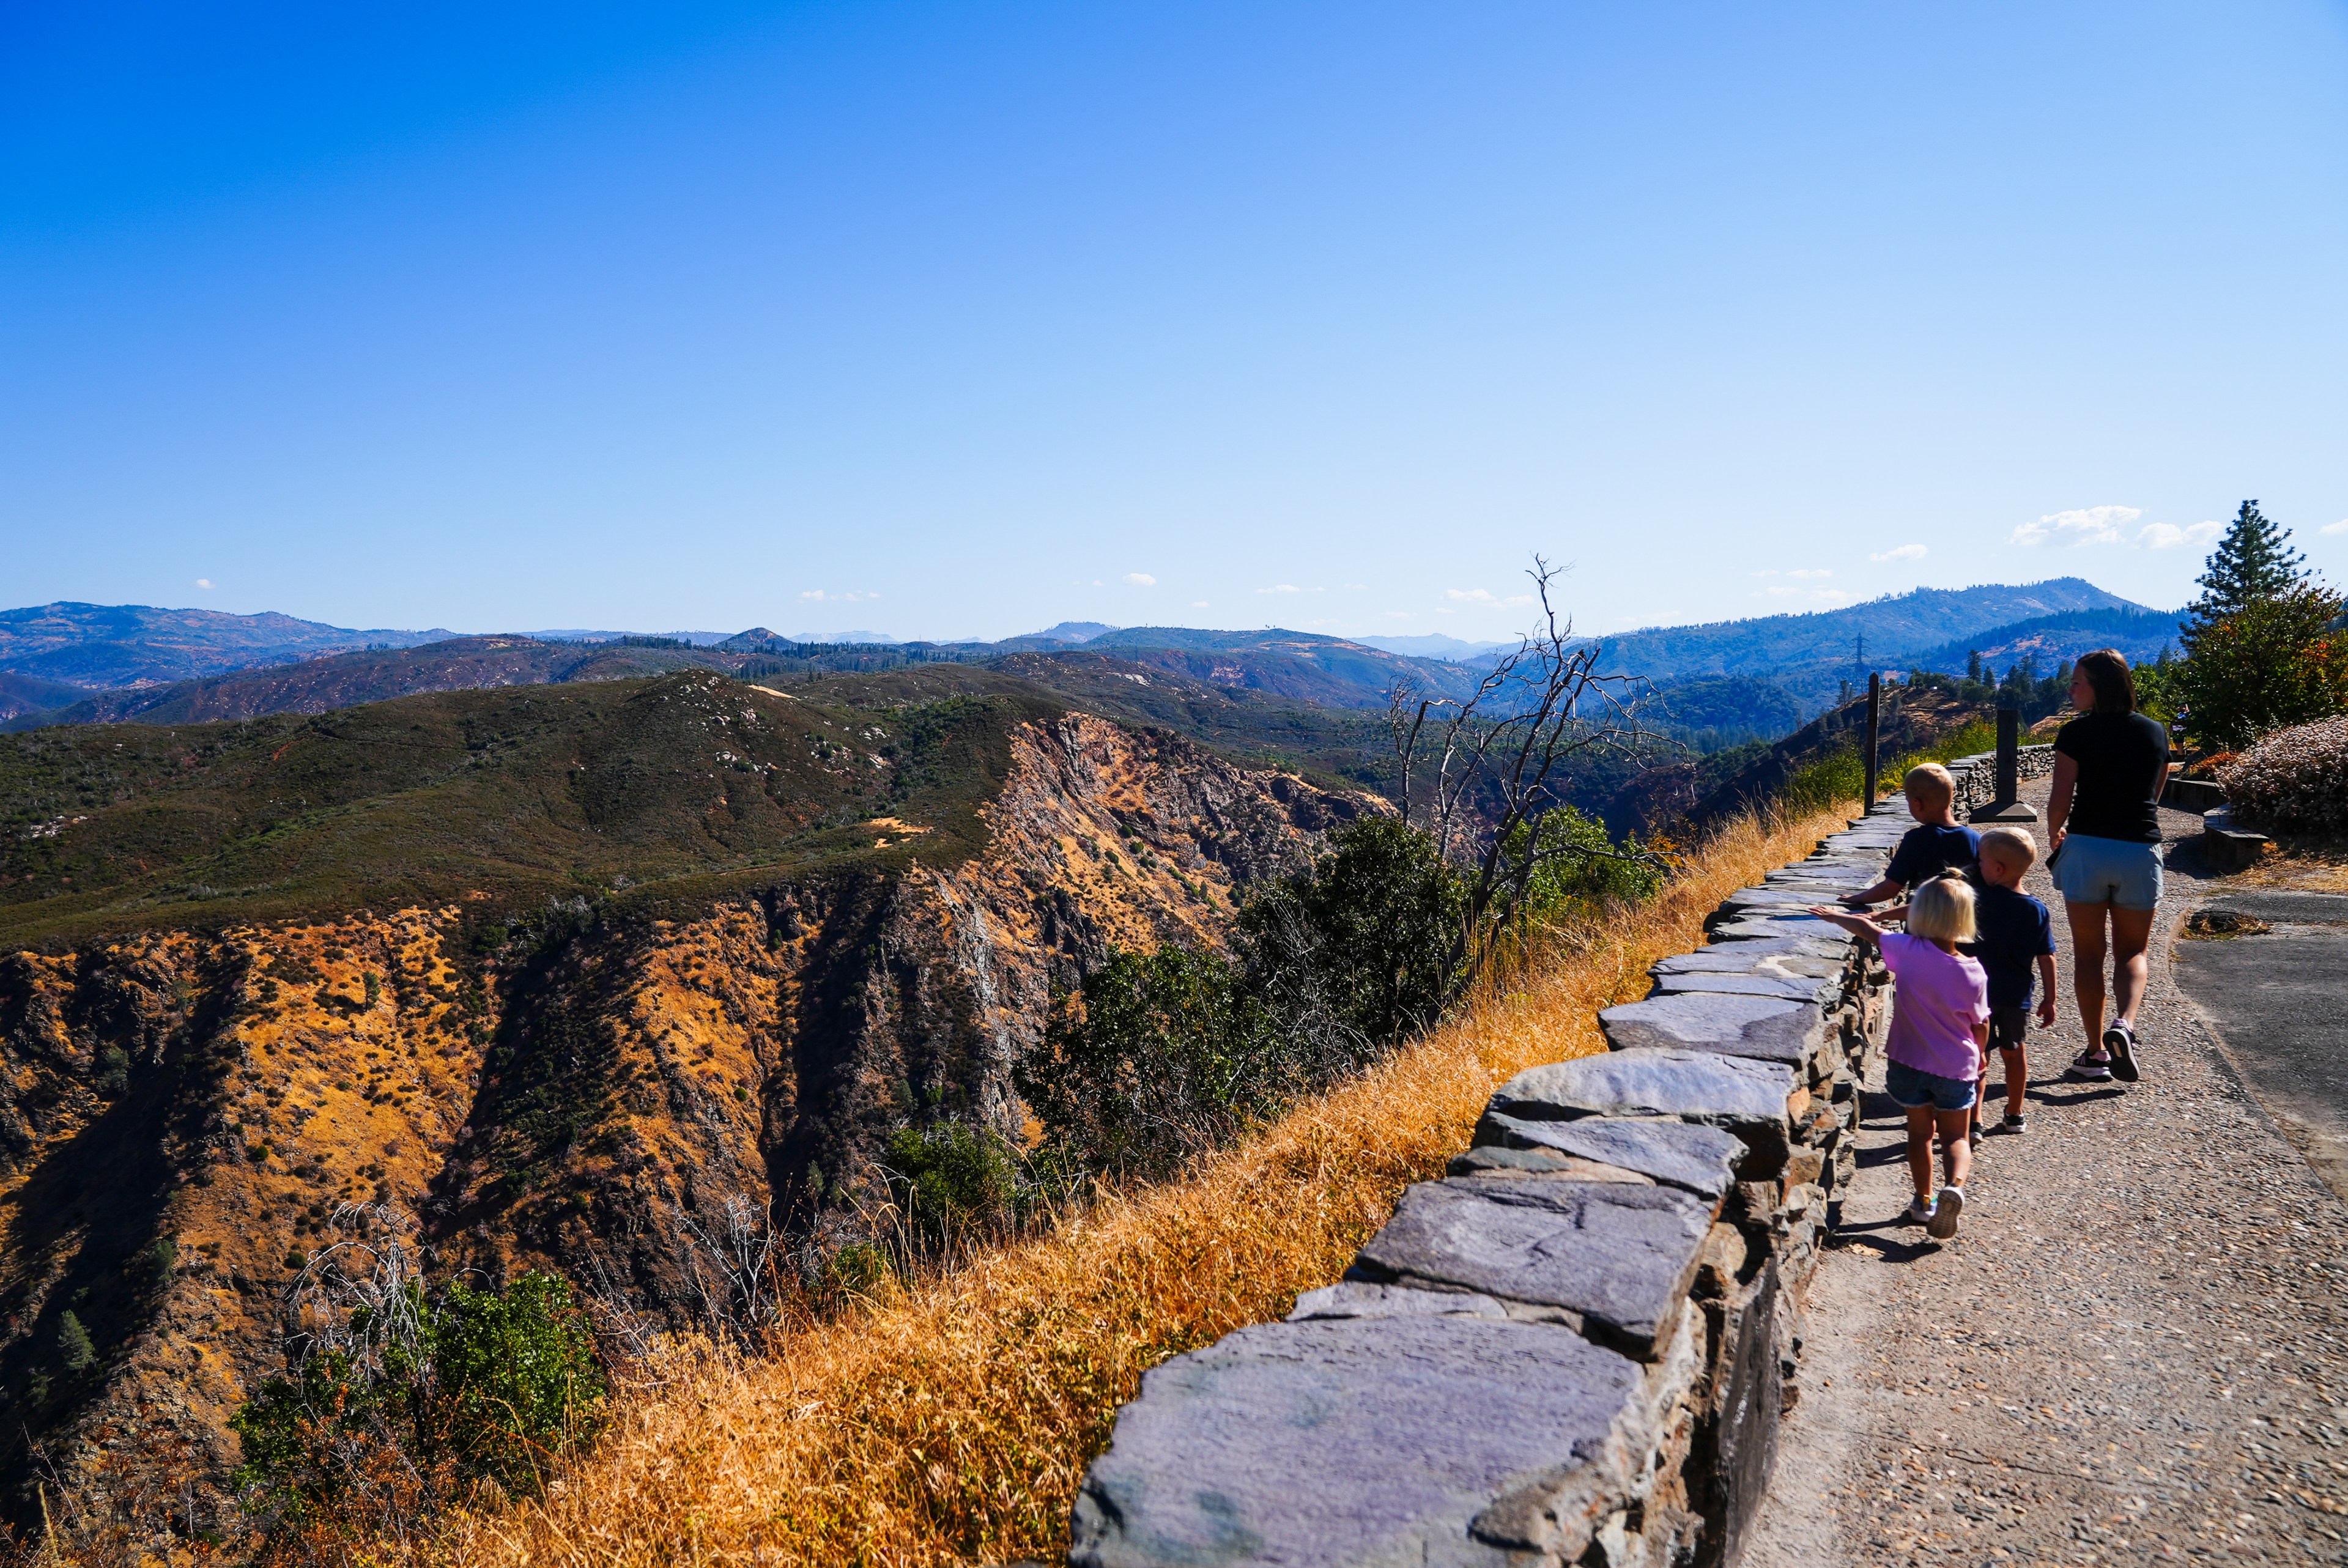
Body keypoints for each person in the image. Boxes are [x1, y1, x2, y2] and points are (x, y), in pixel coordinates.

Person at [1810, 876, 1990, 1240]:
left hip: (1909, 1061)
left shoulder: (1907, 950)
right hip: (1956, 1067)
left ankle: (1924, 1202)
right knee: (1956, 1137)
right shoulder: (1974, 972)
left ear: (1919, 915)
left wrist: (1833, 917)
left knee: (1921, 1134)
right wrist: (1981, 1056)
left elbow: (1865, 928)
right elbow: (1981, 1025)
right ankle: (1954, 1185)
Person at [2046, 649, 2168, 1083]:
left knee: (2088, 955)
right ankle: (2125, 1025)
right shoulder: (2155, 733)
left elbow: (2060, 798)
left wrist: (2054, 834)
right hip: (2138, 850)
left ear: (2099, 686)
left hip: (2087, 849)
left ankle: (2096, 1052)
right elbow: (2154, 794)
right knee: (2132, 952)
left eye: (2077, 682)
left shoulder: (2075, 734)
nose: (2070, 689)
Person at [1963, 826, 2057, 1139]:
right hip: (2017, 997)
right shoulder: (2036, 909)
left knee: (1979, 1056)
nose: (1978, 866)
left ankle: (1973, 1120)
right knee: (2015, 1053)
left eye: (1981, 861)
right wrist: (2050, 998)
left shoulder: (1974, 902)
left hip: (1978, 996)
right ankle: (2015, 1113)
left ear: (1998, 869)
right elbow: (2047, 957)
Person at [1841, 763, 1983, 911]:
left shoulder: (1916, 840)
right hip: (1965, 925)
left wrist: (1858, 898)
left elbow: (1890, 888)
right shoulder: (1975, 839)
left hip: (1924, 927)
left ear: (1917, 804)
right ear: (1952, 796)